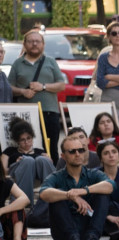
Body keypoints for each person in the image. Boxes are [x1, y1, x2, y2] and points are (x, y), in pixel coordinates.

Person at [38, 134, 114, 240]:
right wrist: (69, 195)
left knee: (102, 194)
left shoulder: (93, 174)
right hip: (63, 233)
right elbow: (43, 193)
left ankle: (92, 238)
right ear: (63, 156)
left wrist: (82, 191)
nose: (77, 154)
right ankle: (73, 239)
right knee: (56, 195)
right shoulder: (56, 177)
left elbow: (110, 186)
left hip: (88, 228)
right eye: (72, 151)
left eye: (81, 150)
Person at [9, 29, 67, 164]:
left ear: (43, 44)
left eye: (37, 41)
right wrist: (23, 92)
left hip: (49, 113)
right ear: (25, 44)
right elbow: (9, 88)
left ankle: (53, 179)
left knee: (51, 149)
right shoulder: (18, 64)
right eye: (30, 41)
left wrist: (43, 86)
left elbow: (61, 85)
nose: (34, 44)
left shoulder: (51, 62)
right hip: (26, 115)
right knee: (26, 149)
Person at [1, 117, 56, 208]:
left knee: (42, 159)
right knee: (27, 160)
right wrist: (18, 163)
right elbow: (2, 172)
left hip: (37, 178)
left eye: (29, 138)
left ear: (32, 137)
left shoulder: (40, 152)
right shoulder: (9, 151)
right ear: (17, 141)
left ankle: (54, 199)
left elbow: (49, 168)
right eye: (23, 140)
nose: (26, 142)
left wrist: (49, 160)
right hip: (16, 176)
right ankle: (24, 205)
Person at [0, 157, 31, 240]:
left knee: (17, 206)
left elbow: (25, 199)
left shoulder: (5, 182)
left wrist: (1, 210)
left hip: (3, 224)